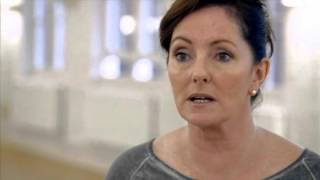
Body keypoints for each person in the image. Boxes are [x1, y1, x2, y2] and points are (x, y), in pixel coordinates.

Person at [106, 0, 320, 179]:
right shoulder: (133, 172)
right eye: (182, 55)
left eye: (222, 55)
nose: (198, 73)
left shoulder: (309, 174)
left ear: (258, 74)